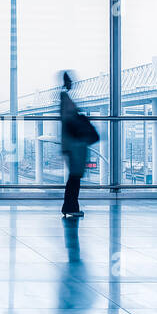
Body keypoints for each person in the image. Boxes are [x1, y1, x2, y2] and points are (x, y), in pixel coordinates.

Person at [59, 71, 97, 218]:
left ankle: (69, 206)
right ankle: (70, 207)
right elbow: (71, 120)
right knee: (74, 178)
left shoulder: (64, 98)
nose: (72, 84)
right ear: (67, 82)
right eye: (70, 81)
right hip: (73, 144)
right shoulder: (65, 98)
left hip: (70, 144)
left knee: (74, 177)